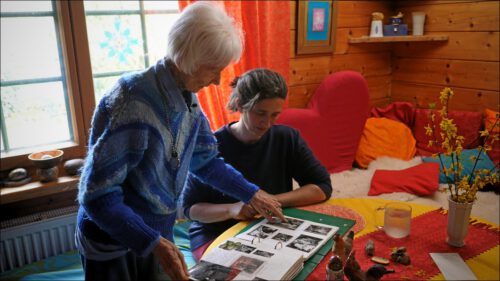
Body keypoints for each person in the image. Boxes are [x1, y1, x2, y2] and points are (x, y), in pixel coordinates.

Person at [75, 3, 285, 281]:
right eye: (213, 70)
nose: (217, 80)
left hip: (155, 234)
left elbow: (207, 161)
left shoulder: (188, 100)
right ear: (189, 58)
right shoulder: (132, 102)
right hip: (113, 239)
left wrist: (252, 193)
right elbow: (97, 196)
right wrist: (151, 241)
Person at [181, 68, 332, 260]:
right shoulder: (209, 147)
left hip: (270, 227)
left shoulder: (287, 138)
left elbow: (322, 187)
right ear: (240, 104)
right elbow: (189, 210)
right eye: (260, 113)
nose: (266, 123)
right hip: (216, 233)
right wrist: (232, 209)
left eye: (275, 115)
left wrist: (268, 201)